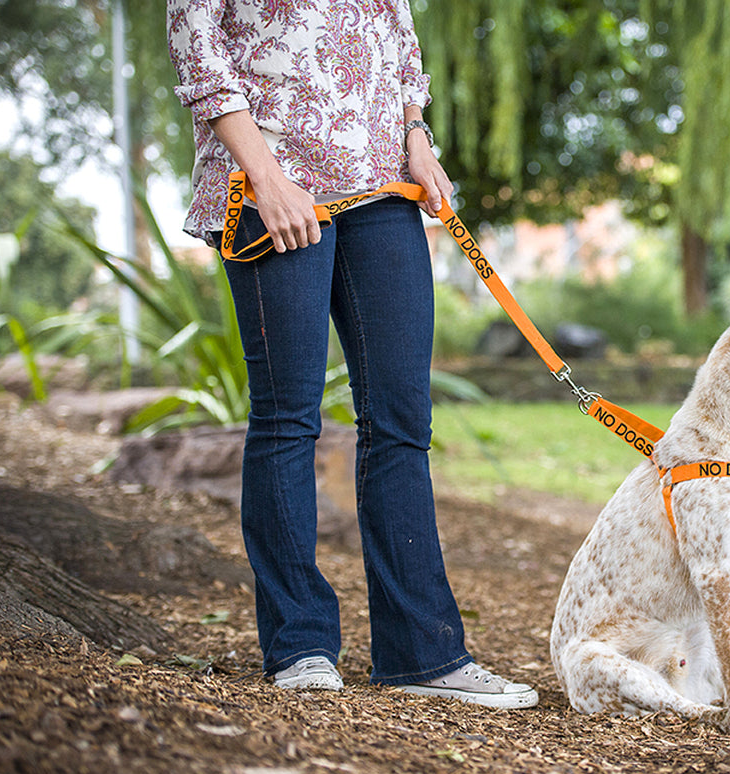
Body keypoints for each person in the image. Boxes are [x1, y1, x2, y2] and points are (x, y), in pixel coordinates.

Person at [166, 0, 537, 709]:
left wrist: (418, 140)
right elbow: (197, 43)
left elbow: (399, 44)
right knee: (288, 415)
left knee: (401, 418)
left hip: (381, 185)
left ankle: (423, 654)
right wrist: (266, 176)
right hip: (270, 184)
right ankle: (298, 643)